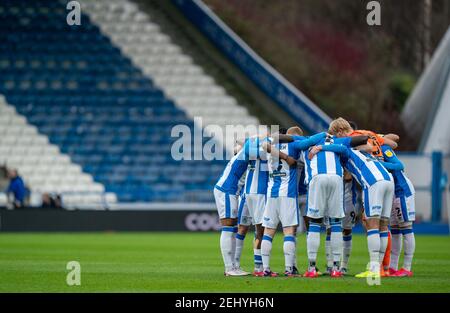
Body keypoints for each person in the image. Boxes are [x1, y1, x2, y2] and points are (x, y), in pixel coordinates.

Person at [309, 141, 394, 278]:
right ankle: (381, 269)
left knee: (372, 224)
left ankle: (373, 269)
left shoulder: (350, 151)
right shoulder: (366, 154)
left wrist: (320, 147)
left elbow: (340, 147)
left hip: (373, 182)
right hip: (389, 181)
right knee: (383, 225)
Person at [258, 131, 327, 277]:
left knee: (268, 232)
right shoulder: (294, 145)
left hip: (271, 193)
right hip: (287, 194)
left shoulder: (270, 143)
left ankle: (265, 269)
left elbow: (262, 144)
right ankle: (289, 269)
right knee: (289, 232)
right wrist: (325, 133)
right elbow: (313, 139)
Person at [302, 134, 368, 278]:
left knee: (315, 222)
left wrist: (317, 147)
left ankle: (312, 268)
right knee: (336, 223)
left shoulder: (308, 141)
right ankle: (336, 268)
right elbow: (363, 139)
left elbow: (290, 139)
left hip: (318, 177)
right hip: (337, 178)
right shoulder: (339, 142)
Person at [379, 144, 416, 277]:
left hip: (401, 190)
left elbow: (399, 165)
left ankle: (406, 267)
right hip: (392, 192)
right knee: (394, 230)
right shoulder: (369, 151)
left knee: (406, 228)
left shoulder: (382, 148)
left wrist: (379, 164)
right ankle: (393, 267)